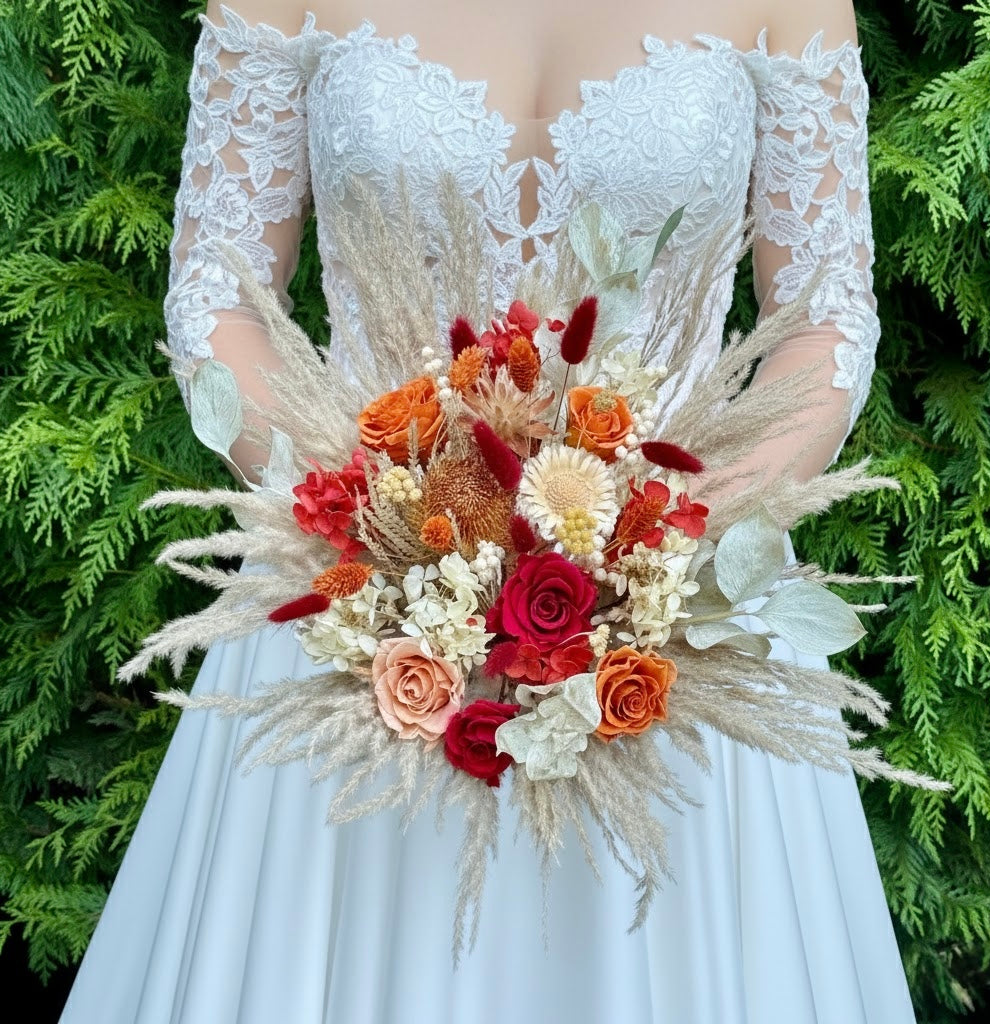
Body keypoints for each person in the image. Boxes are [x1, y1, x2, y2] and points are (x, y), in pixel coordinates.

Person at [60, 0, 917, 1020]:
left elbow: (824, 316)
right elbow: (216, 296)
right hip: (354, 597)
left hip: (679, 614)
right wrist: (368, 507)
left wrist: (675, 529)